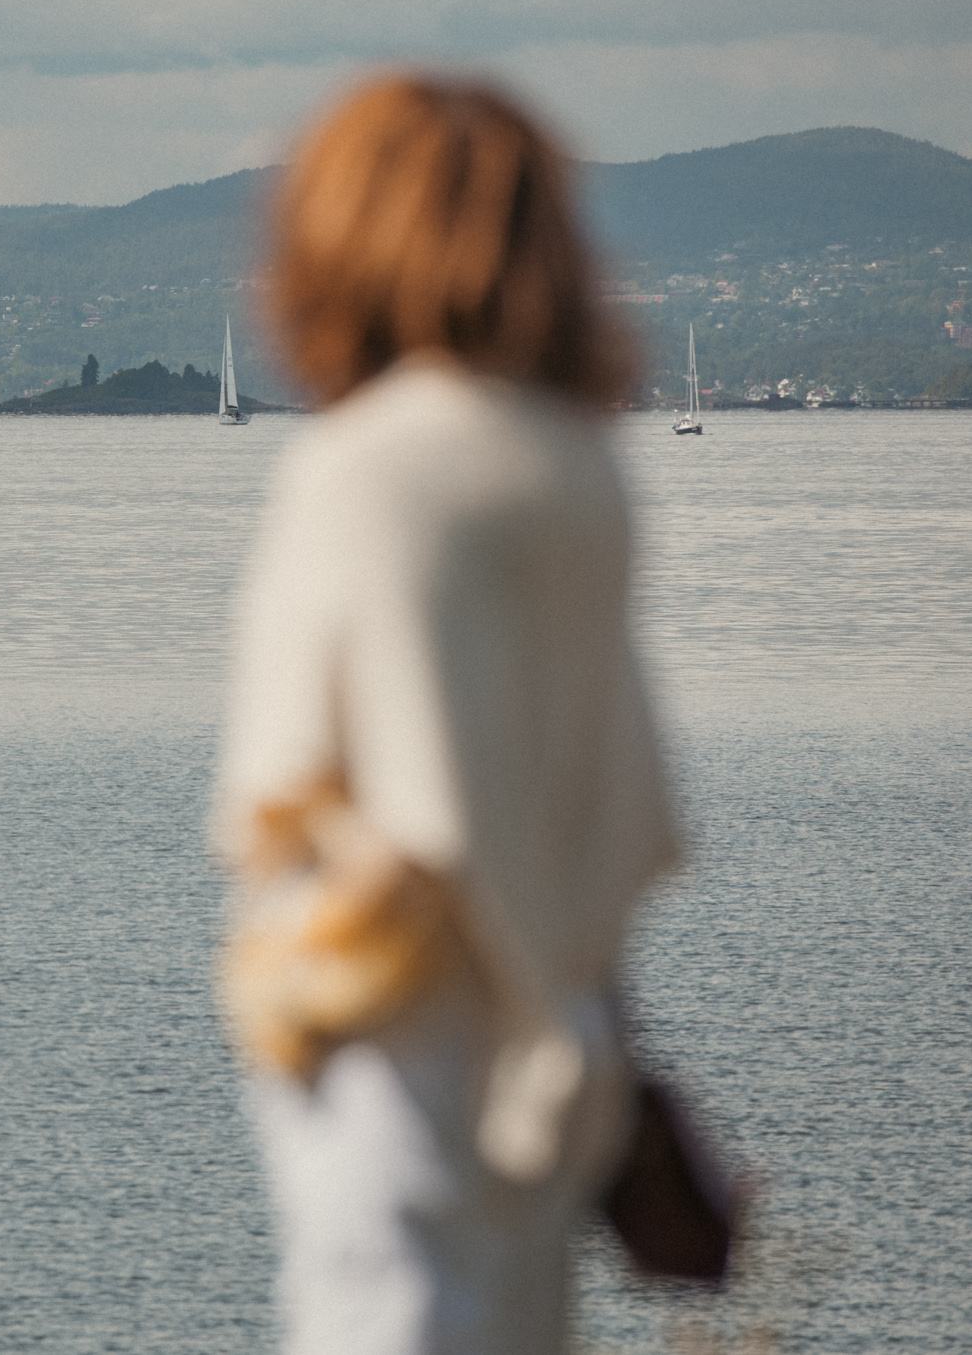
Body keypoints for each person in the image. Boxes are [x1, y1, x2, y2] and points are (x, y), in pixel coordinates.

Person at [213, 75, 679, 1355]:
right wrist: (595, 1038)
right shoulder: (578, 469)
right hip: (562, 1028)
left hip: (388, 1024)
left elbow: (370, 790)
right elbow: (609, 798)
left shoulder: (360, 471)